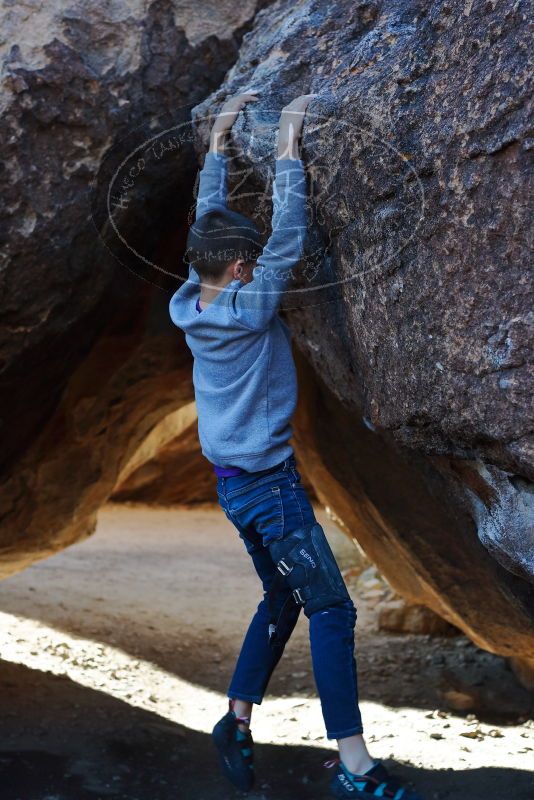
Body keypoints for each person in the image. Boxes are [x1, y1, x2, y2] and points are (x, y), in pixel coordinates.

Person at [169, 92, 424, 800]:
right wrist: (287, 143)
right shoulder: (251, 306)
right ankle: (354, 765)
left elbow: (205, 227)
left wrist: (217, 146)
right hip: (270, 491)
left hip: (233, 487)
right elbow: (287, 231)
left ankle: (237, 718)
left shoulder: (194, 297)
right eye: (249, 261)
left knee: (281, 601)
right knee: (332, 610)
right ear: (243, 269)